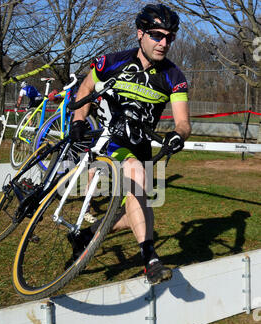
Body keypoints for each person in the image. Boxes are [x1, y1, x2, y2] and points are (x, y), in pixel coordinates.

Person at [68, 3, 192, 285]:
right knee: (135, 175)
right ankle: (150, 260)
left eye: (169, 37)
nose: (164, 43)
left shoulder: (174, 77)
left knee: (138, 212)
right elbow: (85, 89)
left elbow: (183, 122)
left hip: (141, 147)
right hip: (111, 142)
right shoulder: (113, 61)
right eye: (157, 35)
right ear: (140, 34)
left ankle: (86, 235)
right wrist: (78, 121)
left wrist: (178, 135)